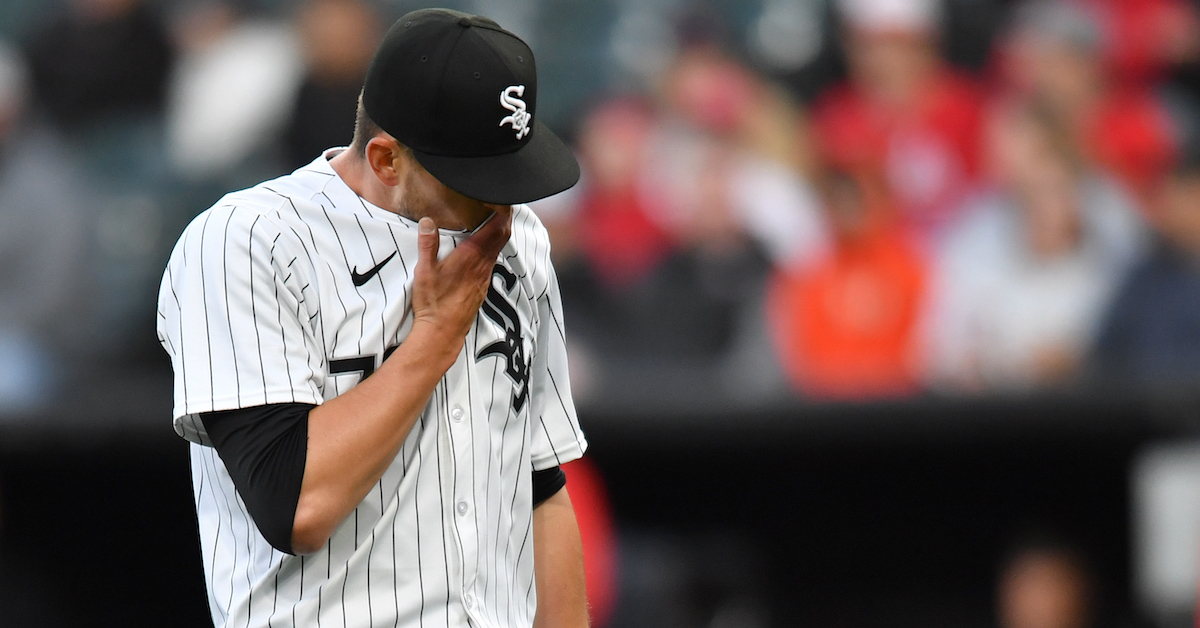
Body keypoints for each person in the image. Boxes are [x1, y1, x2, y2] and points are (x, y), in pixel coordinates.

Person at [156, 9, 589, 628]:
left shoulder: (521, 242)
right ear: (387, 160)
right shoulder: (248, 240)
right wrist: (435, 336)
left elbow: (540, 489)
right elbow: (297, 505)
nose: (503, 199)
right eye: (475, 178)